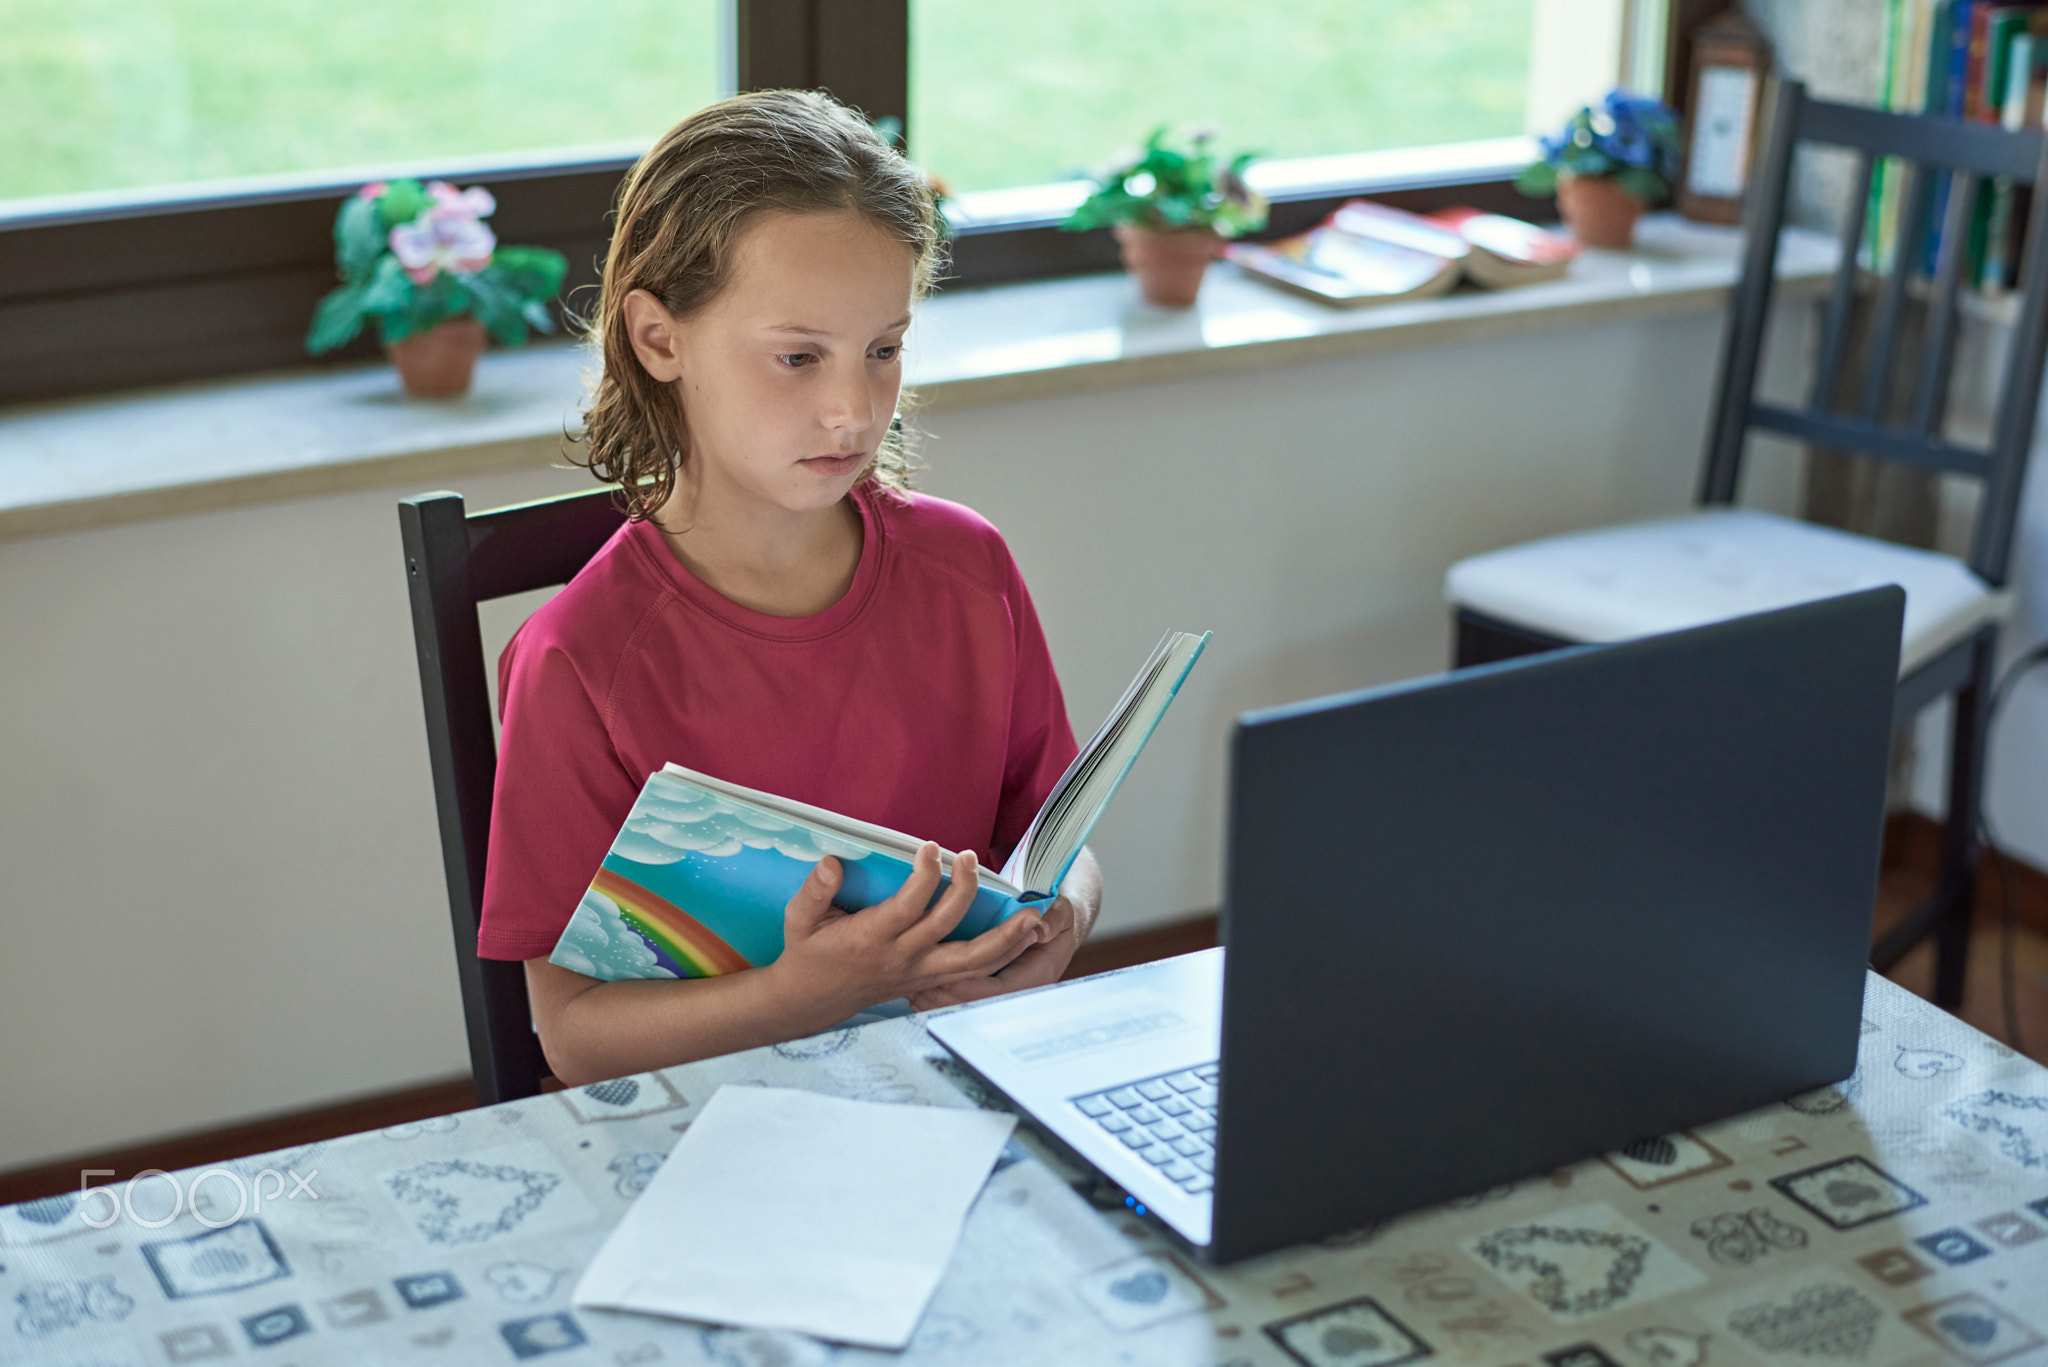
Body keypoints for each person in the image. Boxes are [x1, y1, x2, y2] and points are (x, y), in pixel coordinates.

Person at [476, 90, 1101, 1087]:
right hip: (711, 1135)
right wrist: (805, 993)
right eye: (797, 357)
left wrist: (1063, 916)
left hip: (952, 1080)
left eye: (882, 349)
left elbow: (1054, 844)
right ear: (658, 339)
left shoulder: (968, 571)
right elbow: (575, 1033)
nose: (852, 409)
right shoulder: (579, 658)